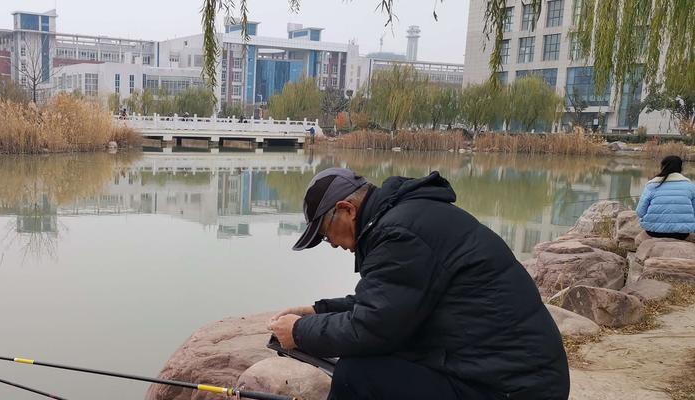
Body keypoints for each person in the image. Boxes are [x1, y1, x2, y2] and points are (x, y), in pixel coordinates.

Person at [267, 168, 569, 400]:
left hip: (512, 387)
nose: (330, 243)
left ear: (347, 209)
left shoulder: (400, 234)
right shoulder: (408, 218)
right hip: (512, 375)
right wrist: (318, 311)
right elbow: (389, 304)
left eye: (325, 233)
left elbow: (370, 329)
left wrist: (298, 332)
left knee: (356, 374)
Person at [636, 155, 695, 240]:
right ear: (680, 168)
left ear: (663, 167)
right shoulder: (690, 186)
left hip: (654, 232)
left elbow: (640, 212)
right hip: (682, 233)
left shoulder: (652, 185)